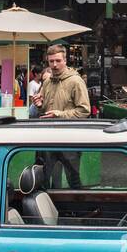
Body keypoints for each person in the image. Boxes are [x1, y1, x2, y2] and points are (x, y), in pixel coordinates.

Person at [38, 45, 90, 189]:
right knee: (44, 179)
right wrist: (39, 104)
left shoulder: (75, 81)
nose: (54, 65)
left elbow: (84, 111)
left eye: (58, 61)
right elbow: (45, 109)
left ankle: (77, 210)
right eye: (51, 61)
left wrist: (59, 114)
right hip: (48, 138)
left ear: (65, 60)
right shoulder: (47, 82)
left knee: (73, 179)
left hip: (70, 138)